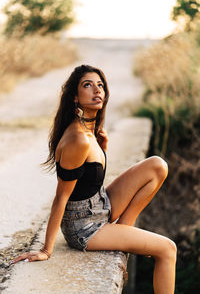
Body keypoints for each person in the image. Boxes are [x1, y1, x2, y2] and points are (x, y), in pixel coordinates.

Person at [12, 64, 176, 293]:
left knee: (157, 165)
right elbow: (61, 198)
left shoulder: (91, 131)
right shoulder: (77, 139)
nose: (97, 90)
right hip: (84, 227)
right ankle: (124, 235)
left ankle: (124, 230)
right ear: (75, 98)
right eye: (87, 85)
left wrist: (103, 148)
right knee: (168, 249)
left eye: (100, 85)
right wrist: (46, 250)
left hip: (99, 206)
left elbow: (89, 182)